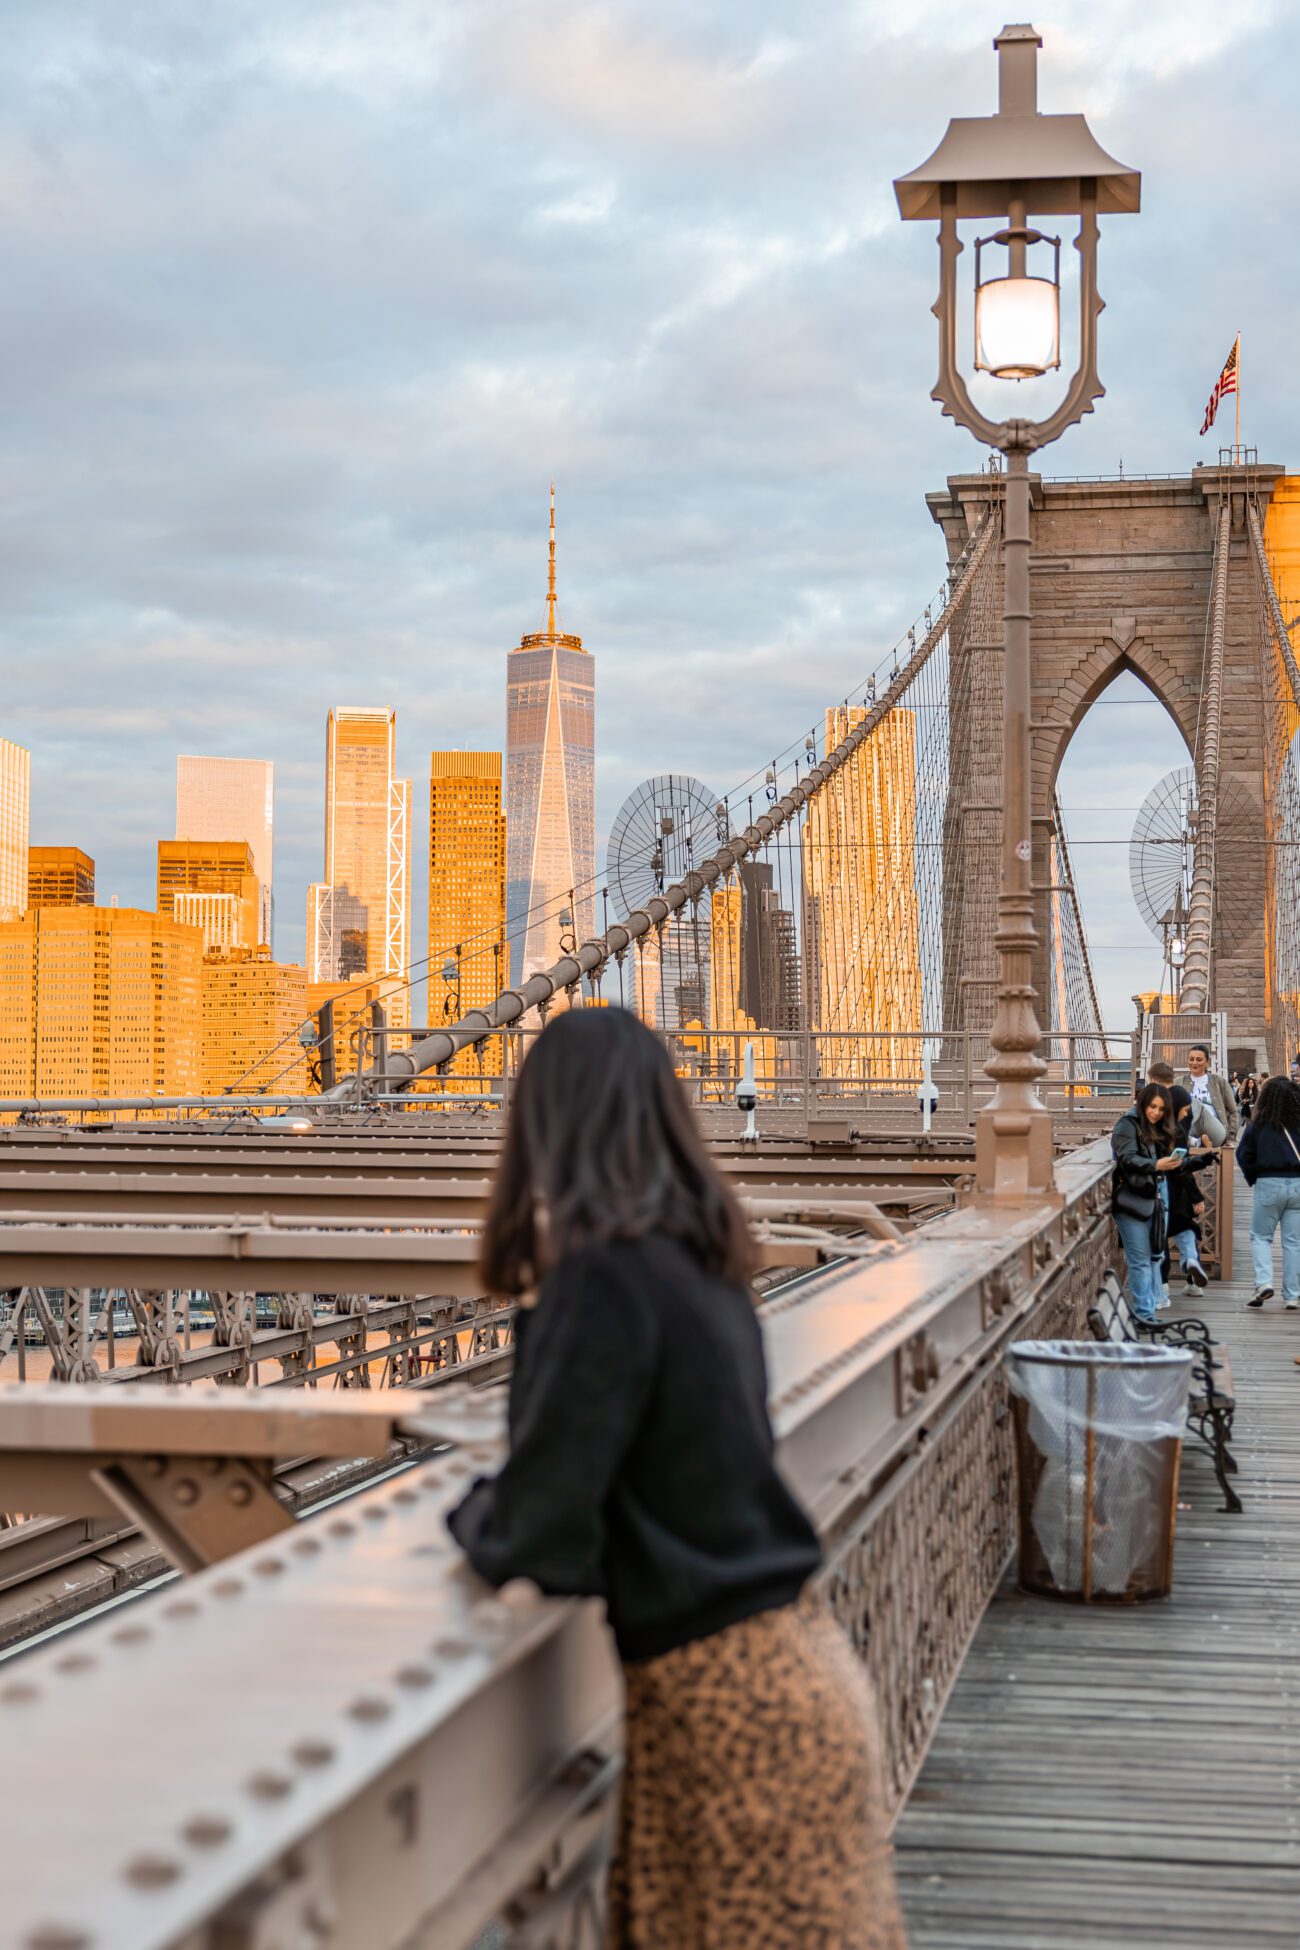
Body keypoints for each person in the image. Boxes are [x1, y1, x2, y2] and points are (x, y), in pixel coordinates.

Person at [446, 1008, 908, 1950]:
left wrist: (474, 1512)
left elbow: (544, 1533)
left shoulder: (604, 1280)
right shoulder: (705, 1268)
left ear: (551, 1124)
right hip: (795, 1673)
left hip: (728, 1715)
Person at [1111, 1084, 1184, 1325]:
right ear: (1142, 1103)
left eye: (1161, 1109)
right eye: (1152, 1106)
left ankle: (1147, 1312)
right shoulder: (1126, 1124)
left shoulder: (1153, 1127)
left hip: (1151, 1199)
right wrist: (1156, 1166)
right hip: (1131, 1201)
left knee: (1155, 1256)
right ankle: (1145, 1316)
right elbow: (1127, 1157)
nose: (1155, 1112)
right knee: (1140, 1261)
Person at [1236, 1076, 1300, 1308]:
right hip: (1298, 1185)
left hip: (1269, 1182)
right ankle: (1293, 1296)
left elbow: (1243, 1154)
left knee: (1261, 1236)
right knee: (1293, 1242)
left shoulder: (1258, 1125)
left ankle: (1264, 1283)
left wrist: (1254, 1177)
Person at [1180, 1043, 1238, 1144]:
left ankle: (1192, 1139)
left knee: (1194, 1104)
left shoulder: (1219, 1082)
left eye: (1199, 1060)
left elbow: (1233, 1111)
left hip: (1216, 1132)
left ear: (1207, 1063)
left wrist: (1230, 1138)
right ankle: (1197, 1142)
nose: (1194, 1062)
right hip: (1190, 1131)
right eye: (1191, 1059)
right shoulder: (1179, 1082)